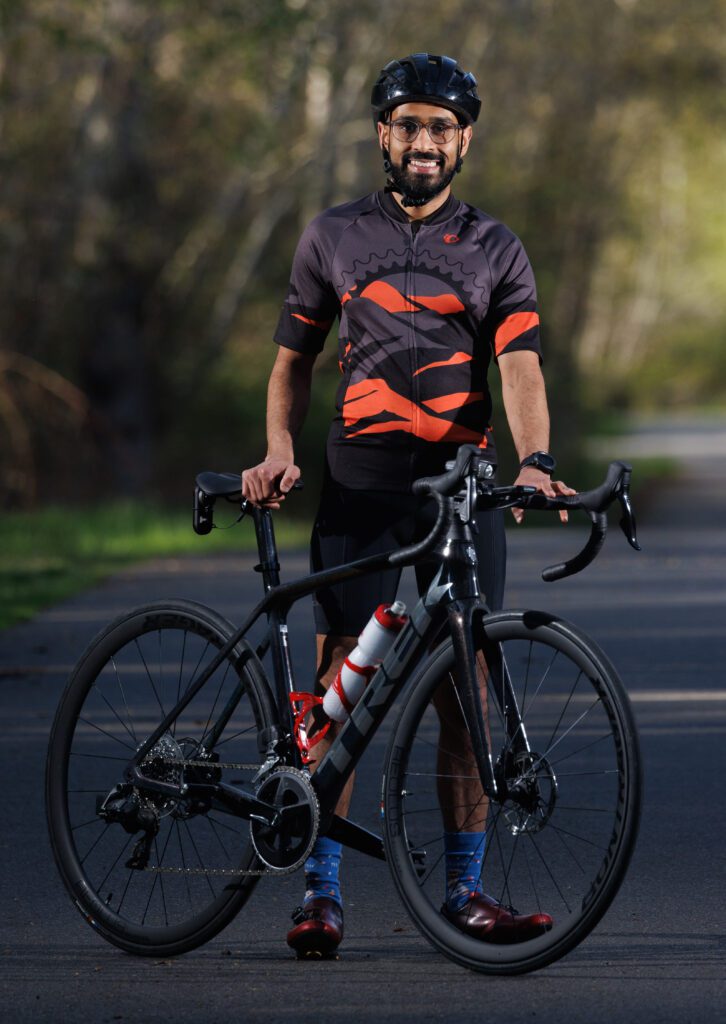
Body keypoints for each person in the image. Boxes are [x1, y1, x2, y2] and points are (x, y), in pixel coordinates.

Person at [242, 52, 574, 958]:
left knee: (463, 700)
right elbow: (292, 362)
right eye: (406, 125)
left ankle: (465, 893)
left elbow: (520, 368)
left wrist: (537, 460)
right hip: (359, 494)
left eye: (439, 126)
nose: (422, 141)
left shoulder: (498, 248)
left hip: (463, 500)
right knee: (338, 692)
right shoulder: (332, 237)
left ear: (464, 139)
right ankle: (319, 894)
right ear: (383, 135)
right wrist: (278, 448)